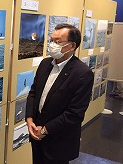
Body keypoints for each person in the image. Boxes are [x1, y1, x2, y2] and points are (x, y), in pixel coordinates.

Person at [26, 23, 94, 164]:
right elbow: (33, 93)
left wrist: (44, 130)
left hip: (59, 141)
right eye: (51, 40)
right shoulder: (45, 64)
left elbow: (75, 113)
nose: (52, 45)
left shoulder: (82, 73)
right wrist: (29, 119)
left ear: (71, 46)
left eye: (57, 42)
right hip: (36, 135)